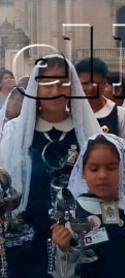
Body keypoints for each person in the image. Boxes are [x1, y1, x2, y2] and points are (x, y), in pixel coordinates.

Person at [0, 54, 100, 277]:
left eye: (63, 83)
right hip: (28, 240)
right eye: (48, 84)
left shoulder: (87, 133)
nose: (56, 91)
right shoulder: (17, 132)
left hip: (77, 237)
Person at [51, 133, 125, 278]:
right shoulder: (73, 214)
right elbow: (61, 274)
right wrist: (63, 249)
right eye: (93, 169)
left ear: (124, 169)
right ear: (83, 172)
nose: (103, 175)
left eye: (111, 167)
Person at [75, 58, 125, 139]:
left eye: (96, 83)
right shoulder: (67, 112)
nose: (90, 88)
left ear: (105, 83)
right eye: (85, 83)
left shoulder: (119, 115)